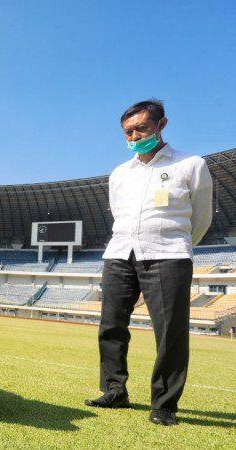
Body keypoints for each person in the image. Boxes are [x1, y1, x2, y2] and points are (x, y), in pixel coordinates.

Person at [85, 100, 213, 426]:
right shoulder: (119, 174)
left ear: (161, 124)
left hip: (168, 255)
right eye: (129, 131)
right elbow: (118, 213)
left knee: (169, 333)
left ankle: (165, 403)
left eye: (141, 128)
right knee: (111, 327)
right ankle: (115, 390)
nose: (135, 135)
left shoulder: (190, 165)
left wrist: (176, 244)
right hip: (120, 254)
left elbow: (201, 217)